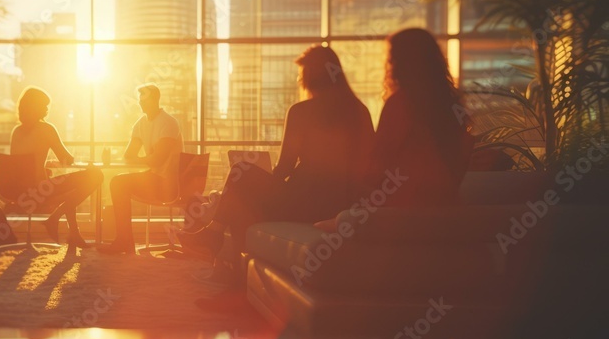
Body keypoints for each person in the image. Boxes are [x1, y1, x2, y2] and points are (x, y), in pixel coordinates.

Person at [179, 45, 375, 274]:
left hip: (301, 202)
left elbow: (285, 167)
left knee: (240, 174)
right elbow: (368, 165)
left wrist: (264, 185)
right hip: (337, 206)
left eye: (301, 75)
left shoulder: (302, 111)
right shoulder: (360, 111)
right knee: (240, 193)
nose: (300, 80)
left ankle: (217, 241)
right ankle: (218, 244)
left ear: (310, 77)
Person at [368, 27, 474, 205]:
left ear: (399, 62)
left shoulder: (400, 103)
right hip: (446, 207)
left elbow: (378, 163)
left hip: (404, 209)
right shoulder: (451, 104)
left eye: (391, 58)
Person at [9, 87, 103, 248]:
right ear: (35, 107)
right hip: (40, 191)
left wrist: (44, 164)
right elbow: (67, 159)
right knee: (96, 176)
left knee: (71, 189)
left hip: (18, 192)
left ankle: (74, 235)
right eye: (44, 105)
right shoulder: (46, 129)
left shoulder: (16, 132)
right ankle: (54, 218)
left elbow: (20, 164)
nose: (47, 109)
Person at [98, 83, 184, 255]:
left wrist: (146, 159)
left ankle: (124, 241)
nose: (140, 102)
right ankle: (125, 240)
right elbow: (129, 154)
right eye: (139, 99)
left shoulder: (169, 123)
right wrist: (148, 159)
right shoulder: (140, 124)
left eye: (144, 98)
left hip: (169, 183)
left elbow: (158, 160)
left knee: (119, 183)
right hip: (153, 178)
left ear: (155, 99)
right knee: (117, 183)